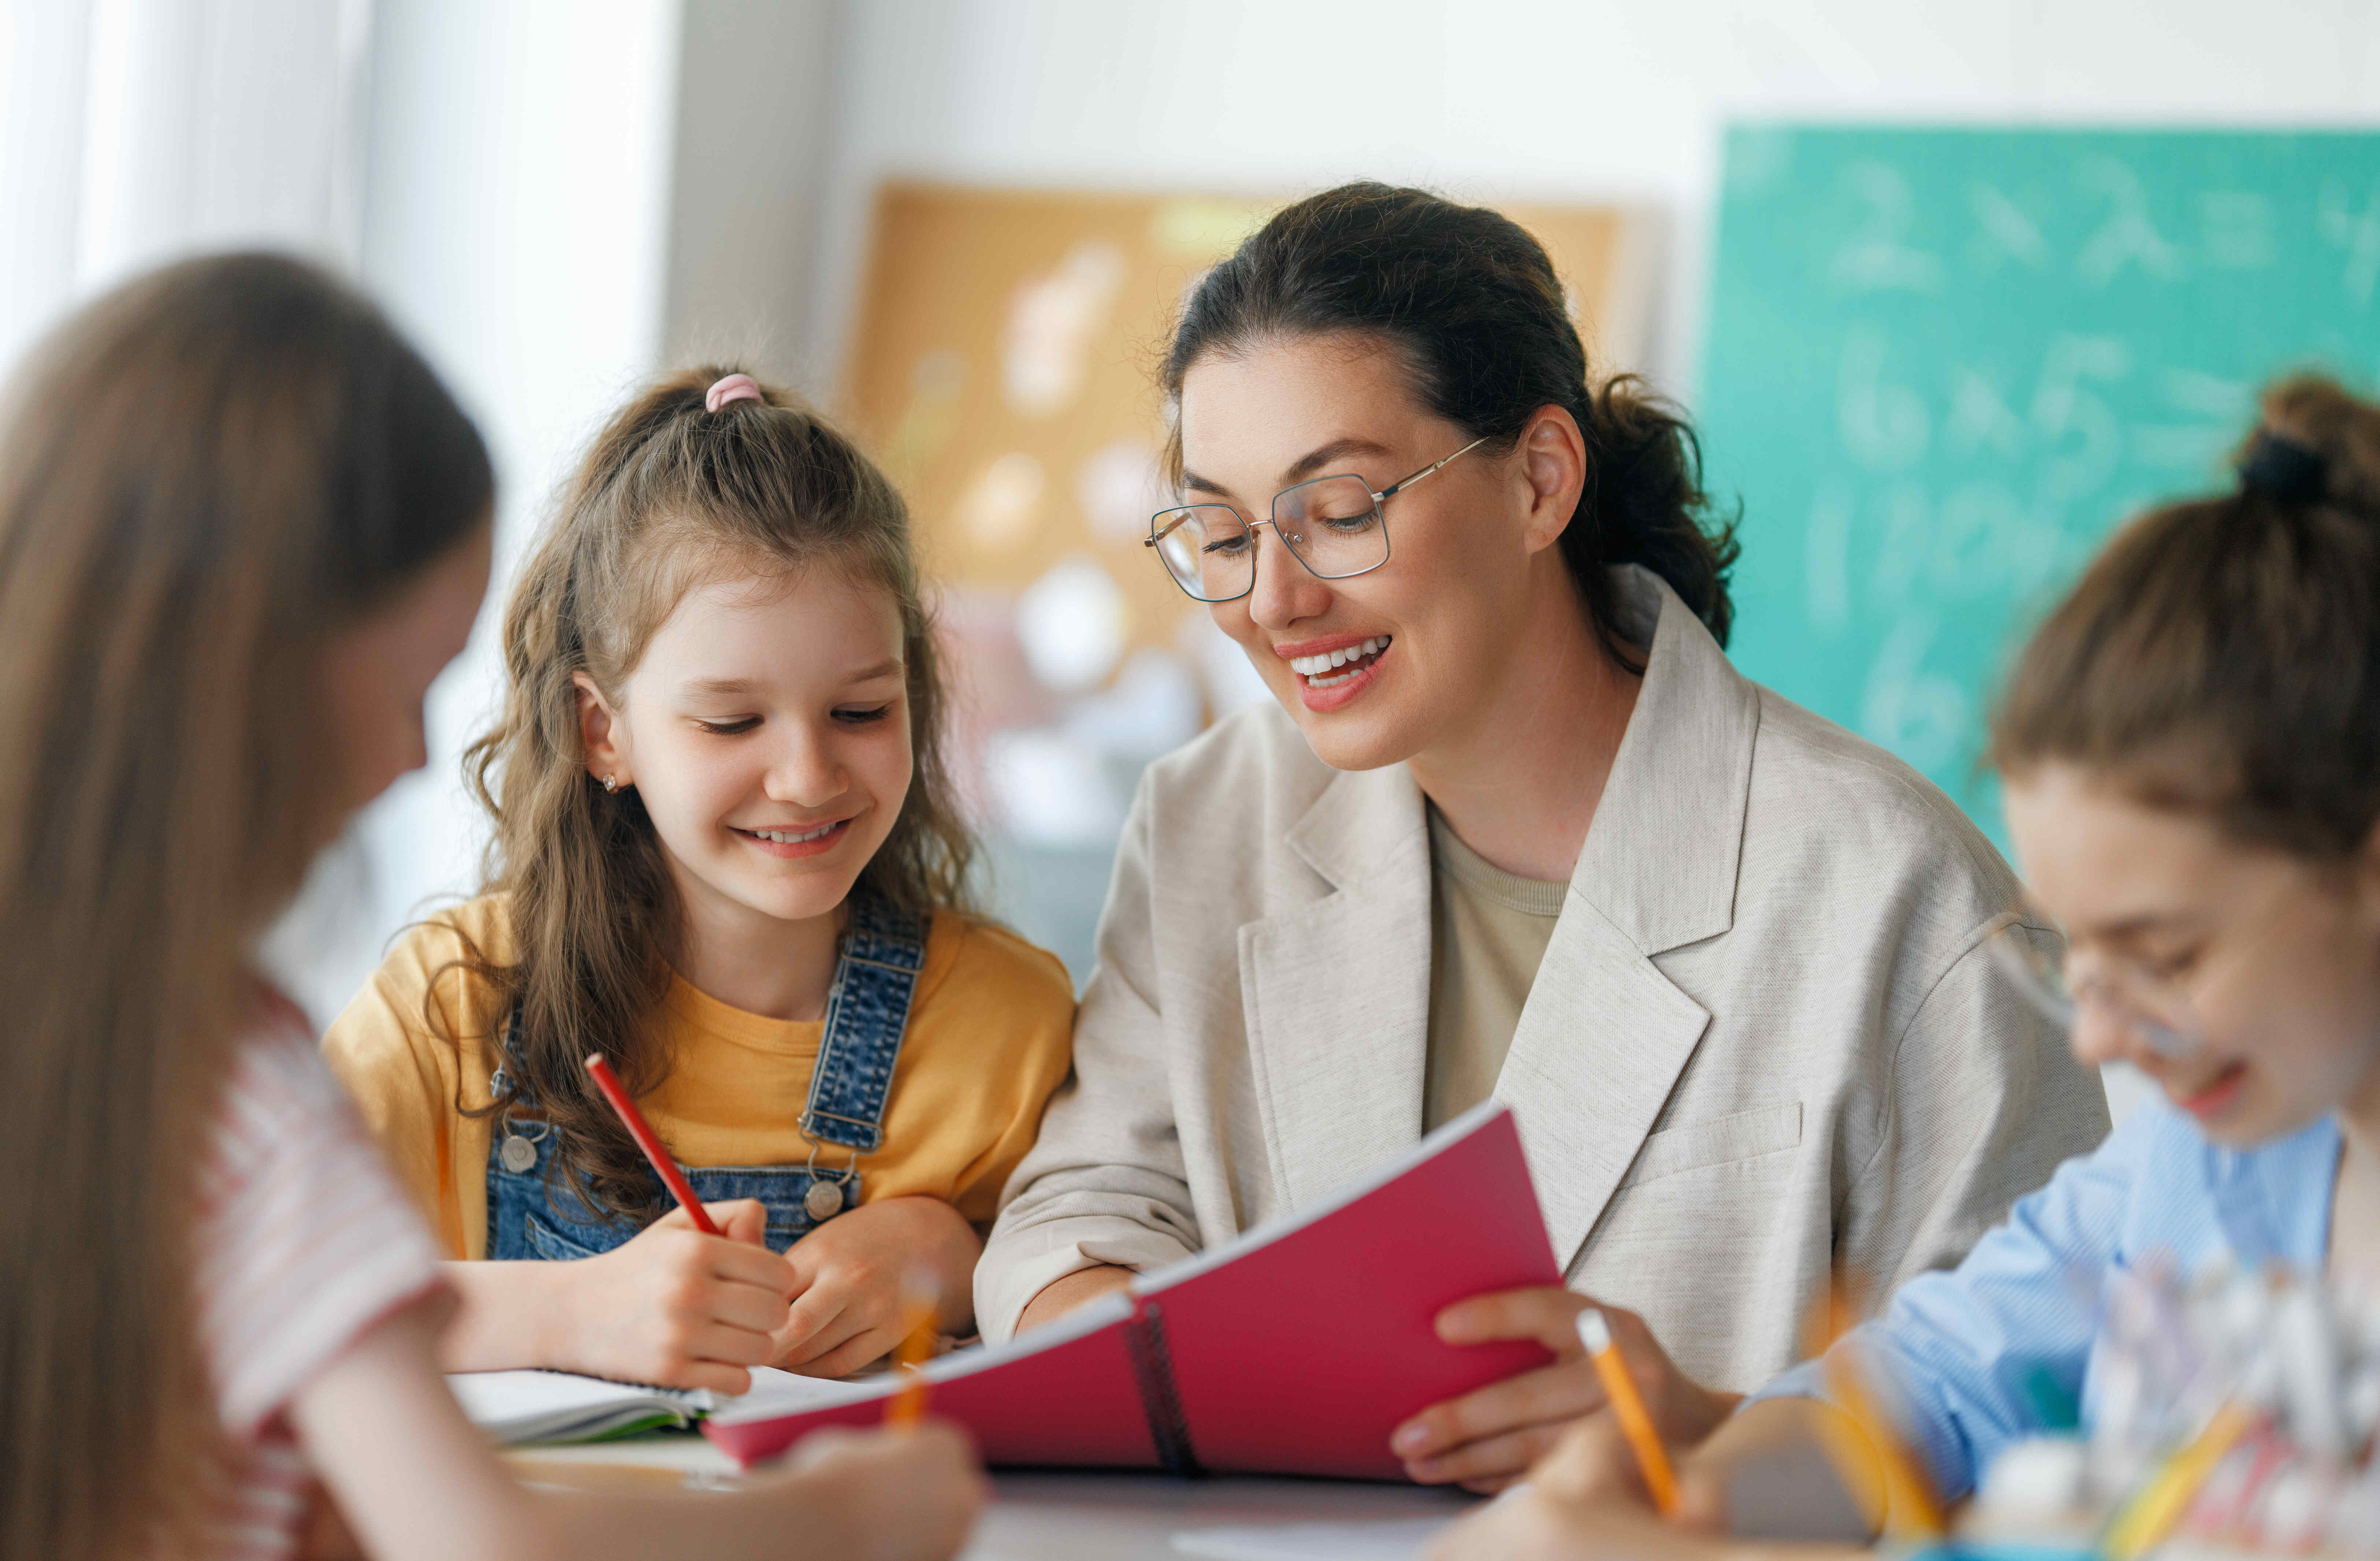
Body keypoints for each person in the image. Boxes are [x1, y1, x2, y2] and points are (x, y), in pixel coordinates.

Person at [978, 182, 2110, 1491]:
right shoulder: (1211, 818)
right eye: (1222, 533)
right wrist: (1158, 1368)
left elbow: (2063, 1429)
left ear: (1538, 481)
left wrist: (1703, 1437)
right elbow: (1087, 1203)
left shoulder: (1892, 894)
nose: (1273, 601)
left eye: (1338, 511)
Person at [0, 253, 983, 1561]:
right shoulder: (232, 1083)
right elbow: (480, 1546)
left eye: (860, 708)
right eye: (410, 681)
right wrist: (841, 1522)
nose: (415, 756)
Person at [1438, 372, 2380, 1557]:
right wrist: (1704, 1498)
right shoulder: (2189, 1170)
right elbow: (1924, 1404)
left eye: (2168, 954)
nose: (2096, 1037)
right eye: (2080, 957)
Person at [323, 368, 1074, 1389]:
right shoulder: (454, 1004)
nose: (808, 778)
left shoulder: (1010, 1025)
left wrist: (953, 1260)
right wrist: (571, 1315)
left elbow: (1096, 1311)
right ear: (604, 734)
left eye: (861, 712)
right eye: (730, 722)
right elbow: (253, 1308)